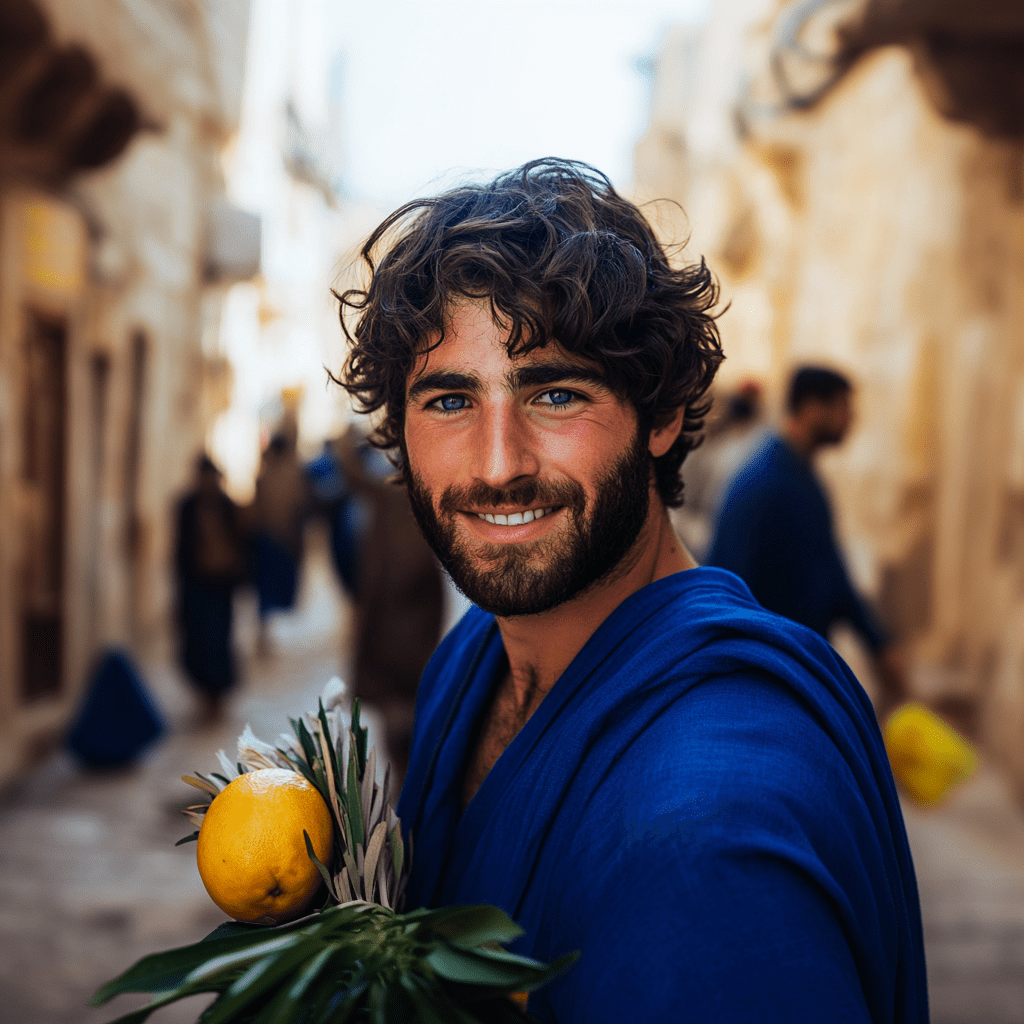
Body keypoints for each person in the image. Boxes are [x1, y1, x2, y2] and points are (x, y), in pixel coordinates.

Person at [336, 159, 927, 1023]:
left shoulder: (707, 846)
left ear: (660, 415)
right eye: (451, 400)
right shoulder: (471, 659)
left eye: (557, 392)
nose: (499, 464)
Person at [706, 366, 907, 713]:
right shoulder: (768, 483)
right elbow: (731, 580)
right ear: (813, 408)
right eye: (844, 408)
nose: (852, 419)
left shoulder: (797, 475)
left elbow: (831, 572)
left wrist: (877, 644)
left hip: (794, 665)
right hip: (769, 679)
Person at [173, 454, 246, 721]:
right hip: (197, 583)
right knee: (198, 640)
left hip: (221, 585)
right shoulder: (187, 506)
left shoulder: (227, 506)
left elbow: (240, 542)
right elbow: (181, 548)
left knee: (219, 640)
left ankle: (217, 695)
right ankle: (204, 693)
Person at [248, 432, 310, 653]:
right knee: (267, 593)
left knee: (268, 593)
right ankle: (264, 635)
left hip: (276, 542)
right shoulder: (288, 476)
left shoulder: (276, 477)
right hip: (273, 542)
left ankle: (264, 634)